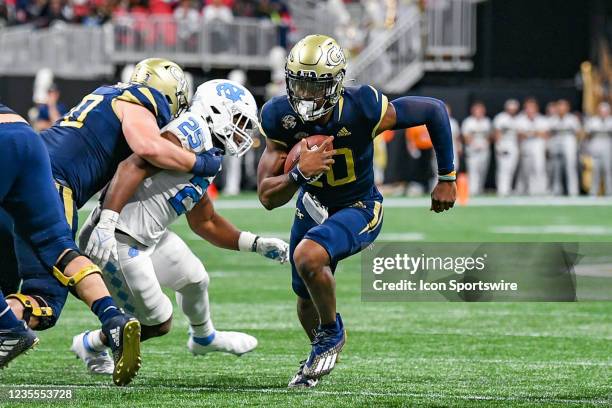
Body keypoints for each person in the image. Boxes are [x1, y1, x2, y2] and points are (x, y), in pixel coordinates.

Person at [255, 34, 456, 387]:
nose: (305, 95)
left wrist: (447, 177)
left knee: (307, 256)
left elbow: (434, 109)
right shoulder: (278, 115)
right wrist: (301, 172)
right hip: (312, 205)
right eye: (298, 83)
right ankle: (320, 352)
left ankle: (333, 333)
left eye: (314, 86)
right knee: (305, 300)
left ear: (336, 83)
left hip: (358, 205)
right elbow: (267, 197)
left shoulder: (363, 105)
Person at [4, 59, 223, 356]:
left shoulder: (108, 94)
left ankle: (105, 320)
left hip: (22, 176)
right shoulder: (142, 100)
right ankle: (111, 320)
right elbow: (148, 147)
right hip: (47, 184)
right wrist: (200, 163)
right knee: (45, 300)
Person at [72, 79, 289, 374]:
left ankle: (204, 338)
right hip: (117, 239)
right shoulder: (193, 130)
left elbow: (205, 221)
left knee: (195, 279)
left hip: (147, 236)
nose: (242, 132)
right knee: (158, 323)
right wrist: (108, 221)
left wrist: (255, 243)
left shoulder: (210, 150)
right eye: (238, 120)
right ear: (216, 111)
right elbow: (133, 165)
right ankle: (90, 343)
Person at [0, 103, 142, 386]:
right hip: (29, 139)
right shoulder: (131, 101)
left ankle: (7, 326)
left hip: (12, 148)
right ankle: (112, 318)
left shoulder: (137, 104)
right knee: (57, 245)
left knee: (44, 300)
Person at [515, 98, 549, 195]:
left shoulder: (542, 119)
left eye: (532, 107)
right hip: (525, 146)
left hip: (538, 147)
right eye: (528, 107)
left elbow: (545, 134)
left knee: (539, 168)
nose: (530, 110)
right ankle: (525, 190)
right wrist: (535, 133)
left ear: (536, 108)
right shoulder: (520, 119)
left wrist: (530, 133)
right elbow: (520, 134)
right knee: (526, 169)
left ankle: (541, 190)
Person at [548, 99, 581, 196]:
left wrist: (577, 145)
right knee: (556, 167)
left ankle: (573, 191)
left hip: (569, 141)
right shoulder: (552, 119)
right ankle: (556, 190)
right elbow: (548, 133)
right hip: (556, 141)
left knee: (570, 166)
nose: (561, 108)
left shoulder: (572, 119)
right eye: (559, 106)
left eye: (563, 106)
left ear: (567, 108)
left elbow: (579, 133)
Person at [461, 101, 492, 195]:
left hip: (484, 149)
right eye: (477, 110)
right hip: (472, 150)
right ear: (473, 111)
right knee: (473, 170)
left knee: (482, 170)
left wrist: (485, 143)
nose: (479, 112)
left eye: (480, 110)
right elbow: (465, 137)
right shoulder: (468, 122)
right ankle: (472, 190)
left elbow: (490, 136)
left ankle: (479, 189)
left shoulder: (487, 121)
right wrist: (474, 144)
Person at [493, 99, 520, 196]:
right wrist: (499, 146)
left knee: (511, 168)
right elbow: (496, 132)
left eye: (514, 108)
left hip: (513, 145)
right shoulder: (501, 118)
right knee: (503, 168)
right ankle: (502, 189)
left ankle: (507, 188)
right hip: (504, 144)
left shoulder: (517, 119)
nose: (512, 110)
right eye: (510, 108)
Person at [584, 102, 612, 196]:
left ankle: (609, 192)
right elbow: (587, 135)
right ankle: (593, 192)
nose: (603, 113)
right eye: (601, 111)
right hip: (595, 147)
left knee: (608, 170)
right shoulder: (593, 121)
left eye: (605, 111)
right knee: (595, 170)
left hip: (608, 147)